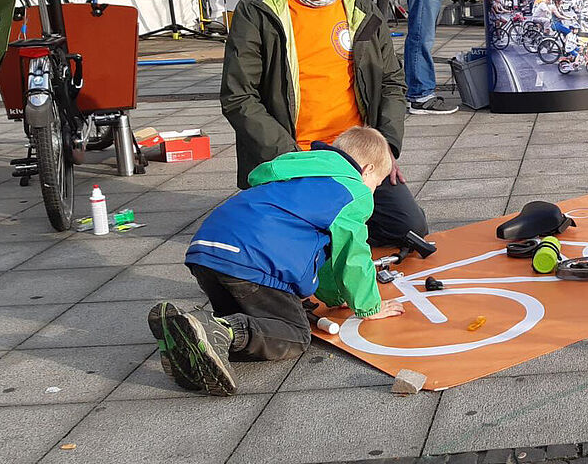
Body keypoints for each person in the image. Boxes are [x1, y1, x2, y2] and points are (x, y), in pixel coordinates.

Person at [222, 0, 429, 251]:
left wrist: (385, 149)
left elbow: (392, 82)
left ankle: (327, 231)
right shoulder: (257, 11)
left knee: (409, 227)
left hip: (354, 155)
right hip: (291, 153)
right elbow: (238, 96)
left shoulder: (363, 10)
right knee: (284, 246)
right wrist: (287, 156)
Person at [149, 126, 405, 396]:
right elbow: (350, 254)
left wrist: (333, 296)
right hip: (252, 261)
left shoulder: (297, 168)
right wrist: (368, 306)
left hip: (207, 251)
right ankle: (219, 330)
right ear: (366, 169)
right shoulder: (353, 191)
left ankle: (196, 334)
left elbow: (325, 257)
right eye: (377, 183)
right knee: (293, 333)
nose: (374, 191)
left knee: (252, 321)